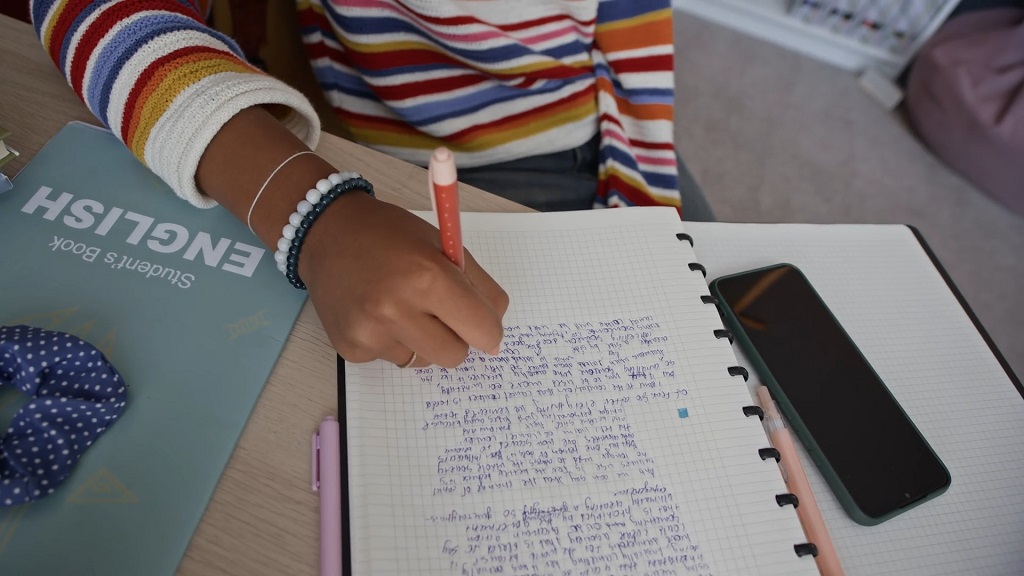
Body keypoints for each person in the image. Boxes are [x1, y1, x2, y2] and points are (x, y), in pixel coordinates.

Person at [29, 0, 714, 368]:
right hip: (356, 138)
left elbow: (635, 65)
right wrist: (312, 215)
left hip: (560, 143)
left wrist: (647, 213)